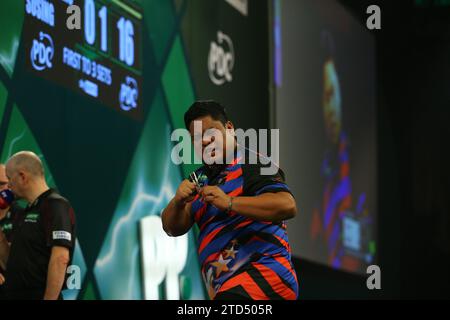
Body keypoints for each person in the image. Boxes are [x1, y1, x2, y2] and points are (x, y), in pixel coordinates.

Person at [162, 101, 299, 300]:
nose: (205, 142)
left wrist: (230, 202)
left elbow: (286, 205)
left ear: (229, 129)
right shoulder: (199, 179)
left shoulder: (251, 162)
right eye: (197, 138)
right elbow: (171, 227)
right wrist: (178, 201)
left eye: (211, 133)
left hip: (265, 277)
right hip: (228, 289)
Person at [0, 151, 76, 300]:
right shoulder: (25, 211)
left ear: (22, 176)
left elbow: (60, 258)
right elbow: (11, 263)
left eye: (9, 179)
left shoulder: (55, 205)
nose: (9, 186)